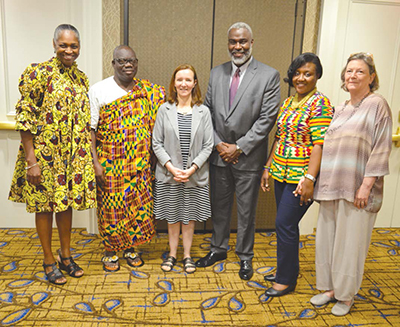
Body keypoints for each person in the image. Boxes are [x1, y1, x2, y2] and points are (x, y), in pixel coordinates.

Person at [9, 24, 96, 285]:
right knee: (45, 208)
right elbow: (26, 119)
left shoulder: (81, 79)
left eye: (74, 46)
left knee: (66, 205)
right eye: (64, 45)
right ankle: (48, 259)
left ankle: (65, 255)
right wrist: (31, 161)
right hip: (44, 158)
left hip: (72, 157)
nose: (69, 50)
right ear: (54, 44)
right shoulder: (37, 73)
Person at [195, 22, 281, 280]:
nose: (238, 46)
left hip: (249, 158)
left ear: (251, 43)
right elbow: (206, 112)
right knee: (219, 208)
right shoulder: (216, 73)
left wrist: (240, 147)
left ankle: (245, 256)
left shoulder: (269, 75)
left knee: (246, 211)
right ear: (228, 43)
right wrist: (219, 143)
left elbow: (267, 119)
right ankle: (218, 249)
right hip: (219, 155)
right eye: (233, 41)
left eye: (243, 41)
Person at [310, 52, 392, 316]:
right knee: (328, 240)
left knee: (350, 244)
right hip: (331, 185)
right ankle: (330, 288)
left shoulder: (378, 105)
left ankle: (346, 296)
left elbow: (381, 148)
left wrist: (366, 187)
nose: (353, 75)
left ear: (371, 76)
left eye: (359, 71)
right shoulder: (341, 107)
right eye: (349, 71)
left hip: (358, 188)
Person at [260, 53, 334, 297]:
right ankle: (285, 270)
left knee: (285, 223)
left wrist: (310, 179)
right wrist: (268, 167)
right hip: (281, 172)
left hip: (301, 177)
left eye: (308, 73)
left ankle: (286, 280)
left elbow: (319, 144)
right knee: (284, 225)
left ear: (317, 76)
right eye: (297, 73)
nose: (301, 78)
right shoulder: (289, 102)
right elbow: (279, 137)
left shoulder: (320, 104)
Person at [89, 45, 165, 272]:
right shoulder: (98, 90)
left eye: (131, 61)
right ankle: (110, 251)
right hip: (110, 163)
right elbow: (90, 129)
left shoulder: (149, 93)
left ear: (137, 62)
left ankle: (131, 248)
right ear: (113, 63)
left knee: (136, 208)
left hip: (140, 163)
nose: (127, 65)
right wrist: (95, 162)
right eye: (121, 61)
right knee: (111, 209)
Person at [152, 64, 213, 274]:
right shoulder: (164, 109)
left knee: (188, 217)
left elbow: (208, 145)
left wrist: (192, 169)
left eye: (188, 80)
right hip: (170, 176)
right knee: (172, 217)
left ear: (194, 83)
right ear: (174, 83)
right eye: (180, 80)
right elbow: (156, 143)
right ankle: (171, 254)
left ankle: (187, 255)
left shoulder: (203, 111)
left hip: (194, 177)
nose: (184, 84)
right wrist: (171, 168)